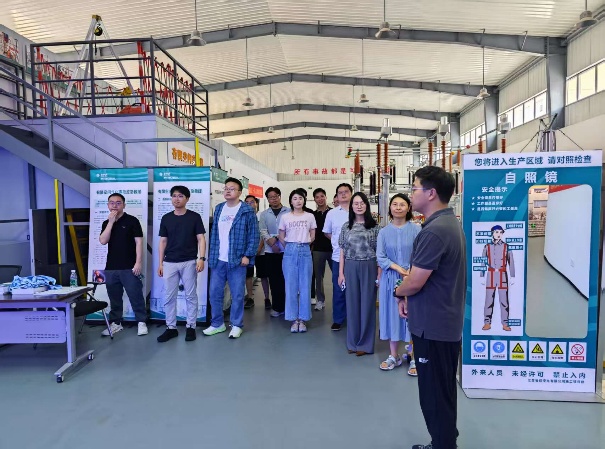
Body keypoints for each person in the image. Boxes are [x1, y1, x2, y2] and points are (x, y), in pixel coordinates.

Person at [394, 166, 466, 449]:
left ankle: (443, 445)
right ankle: (444, 442)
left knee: (434, 395)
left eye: (414, 188)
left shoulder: (435, 231)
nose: (411, 194)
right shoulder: (448, 224)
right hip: (443, 322)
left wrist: (398, 292)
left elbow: (415, 281)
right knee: (442, 392)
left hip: (433, 327)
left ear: (431, 193)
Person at [204, 178, 259, 339]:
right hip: (218, 259)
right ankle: (217, 323)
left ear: (240, 192)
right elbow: (215, 234)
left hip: (237, 259)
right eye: (226, 188)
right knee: (214, 293)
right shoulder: (219, 208)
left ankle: (236, 325)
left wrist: (247, 255)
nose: (228, 191)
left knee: (237, 294)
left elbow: (254, 236)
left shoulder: (246, 211)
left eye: (232, 188)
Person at [377, 194, 420, 374]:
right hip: (390, 278)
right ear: (390, 208)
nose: (398, 207)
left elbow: (421, 254)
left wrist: (410, 271)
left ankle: (413, 356)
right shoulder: (383, 232)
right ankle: (393, 355)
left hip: (413, 277)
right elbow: (380, 257)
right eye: (395, 204)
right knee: (391, 315)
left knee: (412, 316)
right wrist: (399, 269)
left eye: (402, 204)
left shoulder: (417, 230)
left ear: (408, 207)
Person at [157, 186, 206, 343]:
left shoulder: (194, 217)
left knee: (190, 296)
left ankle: (191, 326)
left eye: (180, 196)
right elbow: (163, 241)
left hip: (189, 261)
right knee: (169, 296)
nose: (176, 199)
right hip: (169, 262)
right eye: (174, 196)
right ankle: (171, 328)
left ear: (187, 199)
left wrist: (201, 258)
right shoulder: (166, 218)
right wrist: (160, 263)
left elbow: (201, 238)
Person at [98, 193, 148, 336]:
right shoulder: (106, 223)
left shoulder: (132, 221)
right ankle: (116, 323)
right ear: (108, 205)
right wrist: (111, 222)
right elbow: (103, 241)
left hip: (129, 267)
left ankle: (141, 322)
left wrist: (138, 263)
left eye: (118, 203)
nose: (115, 205)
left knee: (135, 295)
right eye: (112, 203)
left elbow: (139, 243)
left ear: (124, 205)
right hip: (111, 267)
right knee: (114, 297)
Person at [338, 192, 379, 356]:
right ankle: (353, 342)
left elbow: (379, 252)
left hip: (369, 265)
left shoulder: (375, 227)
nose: (359, 206)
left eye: (362, 203)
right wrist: (341, 273)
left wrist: (379, 274)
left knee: (367, 304)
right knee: (352, 304)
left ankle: (365, 344)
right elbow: (342, 250)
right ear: (351, 206)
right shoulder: (346, 227)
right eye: (356, 203)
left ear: (367, 205)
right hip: (350, 266)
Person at [278, 190, 316, 333]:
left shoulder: (310, 216)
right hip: (290, 250)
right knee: (290, 286)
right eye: (295, 198)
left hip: (305, 249)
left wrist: (304, 244)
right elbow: (281, 235)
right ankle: (294, 319)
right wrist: (290, 246)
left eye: (300, 198)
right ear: (291, 201)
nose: (298, 201)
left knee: (305, 285)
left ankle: (303, 319)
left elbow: (313, 235)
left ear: (304, 200)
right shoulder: (285, 217)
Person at [323, 183, 352, 331]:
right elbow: (327, 232)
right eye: (340, 192)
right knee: (339, 288)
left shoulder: (358, 210)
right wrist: (337, 243)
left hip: (357, 258)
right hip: (337, 257)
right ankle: (338, 319)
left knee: (354, 290)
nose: (343, 194)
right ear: (337, 196)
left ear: (351, 194)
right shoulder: (332, 214)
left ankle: (353, 318)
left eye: (346, 191)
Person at [259, 187, 290, 318]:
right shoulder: (264, 214)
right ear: (268, 199)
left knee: (286, 279)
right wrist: (271, 243)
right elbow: (263, 230)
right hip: (270, 251)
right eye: (270, 197)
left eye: (275, 196)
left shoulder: (288, 211)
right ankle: (277, 307)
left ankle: (288, 307)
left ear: (279, 196)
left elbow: (289, 229)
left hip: (286, 250)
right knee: (274, 280)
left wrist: (277, 239)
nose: (274, 199)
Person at [480, 225, 515, 331]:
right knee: (488, 300)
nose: (498, 234)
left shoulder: (506, 246)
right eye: (496, 232)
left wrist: (512, 276)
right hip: (490, 275)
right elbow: (483, 261)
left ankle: (505, 324)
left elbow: (511, 261)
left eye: (500, 232)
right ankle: (487, 323)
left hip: (502, 275)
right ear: (492, 233)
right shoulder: (487, 247)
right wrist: (482, 275)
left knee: (504, 300)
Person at [312, 188, 332, 311]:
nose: (320, 199)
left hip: (333, 249)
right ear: (314, 199)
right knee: (318, 277)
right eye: (317, 197)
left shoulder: (333, 213)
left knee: (338, 275)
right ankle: (320, 300)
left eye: (322, 196)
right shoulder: (313, 215)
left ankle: (341, 299)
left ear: (325, 197)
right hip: (318, 249)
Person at [243, 195, 261, 310]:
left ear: (256, 203)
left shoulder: (260, 216)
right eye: (247, 202)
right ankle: (250, 297)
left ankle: (267, 298)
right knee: (247, 275)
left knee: (262, 275)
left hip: (260, 250)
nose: (249, 204)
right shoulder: (243, 216)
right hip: (247, 251)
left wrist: (259, 247)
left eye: (252, 202)